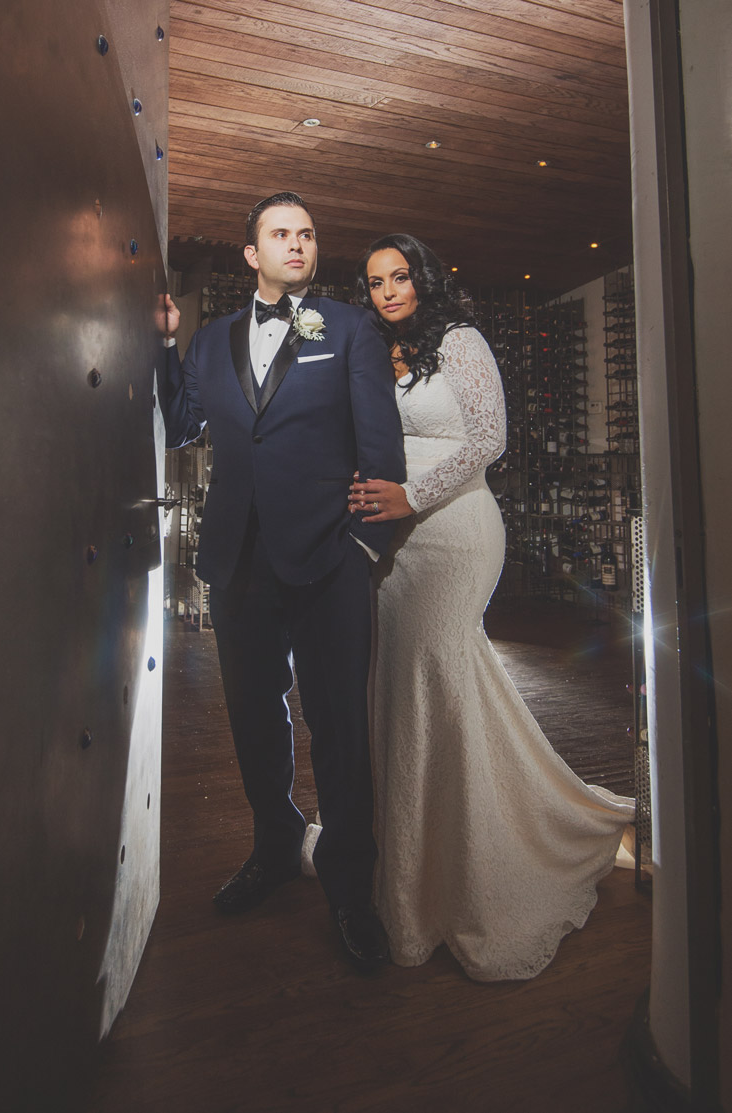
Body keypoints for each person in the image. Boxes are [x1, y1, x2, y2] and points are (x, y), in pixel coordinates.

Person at [345, 233, 635, 981]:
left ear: (423, 278)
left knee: (436, 668)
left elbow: (488, 439)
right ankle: (412, 853)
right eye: (375, 281)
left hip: (453, 533)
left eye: (400, 275)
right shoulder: (372, 354)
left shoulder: (460, 340)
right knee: (410, 686)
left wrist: (411, 493)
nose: (387, 291)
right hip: (390, 546)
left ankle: (475, 865)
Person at [160, 193, 406, 973]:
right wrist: (167, 347)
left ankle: (348, 888)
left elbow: (380, 443)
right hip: (238, 560)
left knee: (338, 725)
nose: (295, 244)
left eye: (304, 234)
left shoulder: (349, 326)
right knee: (254, 722)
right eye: (279, 234)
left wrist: (365, 550)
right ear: (250, 254)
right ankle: (272, 846)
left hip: (329, 559)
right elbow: (180, 423)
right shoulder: (211, 341)